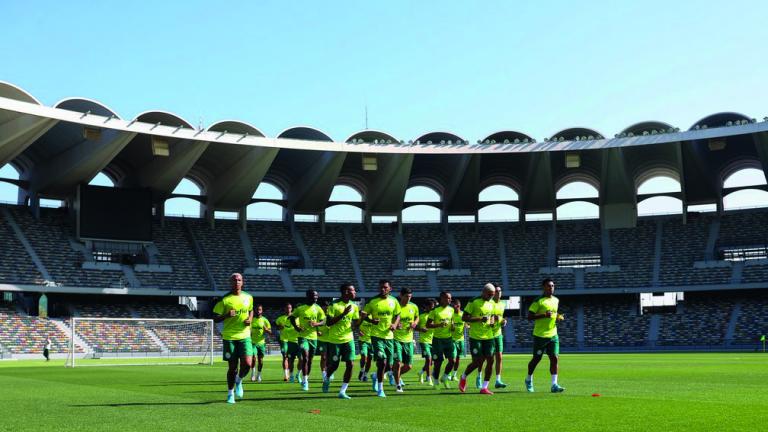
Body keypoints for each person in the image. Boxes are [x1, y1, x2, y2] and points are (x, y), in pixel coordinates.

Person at [212, 273, 254, 404]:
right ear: (230, 282)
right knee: (233, 367)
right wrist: (226, 315)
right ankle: (230, 393)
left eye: (239, 280)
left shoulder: (249, 297)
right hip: (229, 337)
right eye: (234, 280)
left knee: (247, 364)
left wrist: (250, 319)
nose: (237, 282)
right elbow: (215, 318)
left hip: (245, 335)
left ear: (243, 282)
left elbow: (251, 310)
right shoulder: (224, 299)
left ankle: (239, 380)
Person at [361, 279, 401, 398]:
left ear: (390, 288)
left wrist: (394, 324)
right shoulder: (373, 301)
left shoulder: (394, 301)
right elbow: (363, 314)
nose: (382, 289)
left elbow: (398, 314)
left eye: (385, 287)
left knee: (389, 364)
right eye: (381, 287)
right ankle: (380, 388)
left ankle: (375, 376)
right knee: (382, 361)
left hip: (389, 336)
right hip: (376, 336)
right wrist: (371, 320)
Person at [525, 278, 565, 393]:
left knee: (554, 358)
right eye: (548, 286)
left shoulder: (556, 300)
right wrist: (543, 315)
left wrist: (558, 317)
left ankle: (554, 384)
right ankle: (528, 379)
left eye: (552, 286)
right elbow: (529, 317)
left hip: (553, 334)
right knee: (536, 359)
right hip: (540, 336)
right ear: (543, 287)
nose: (551, 288)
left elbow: (553, 313)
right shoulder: (538, 301)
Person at [458, 283, 497, 395]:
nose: (491, 297)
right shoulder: (473, 301)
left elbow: (492, 316)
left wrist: (493, 322)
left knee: (491, 360)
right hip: (476, 337)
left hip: (489, 336)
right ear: (483, 292)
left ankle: (484, 387)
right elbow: (464, 317)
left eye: (493, 295)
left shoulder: (492, 303)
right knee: (478, 362)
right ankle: (464, 376)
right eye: (489, 294)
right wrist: (480, 318)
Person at [323, 282, 360, 399]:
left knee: (351, 364)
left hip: (348, 339)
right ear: (346, 292)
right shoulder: (334, 305)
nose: (355, 292)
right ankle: (327, 378)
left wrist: (362, 319)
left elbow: (355, 325)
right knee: (334, 365)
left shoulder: (354, 306)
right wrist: (343, 314)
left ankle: (342, 391)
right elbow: (328, 323)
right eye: (353, 290)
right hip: (335, 340)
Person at [290, 289, 326, 391]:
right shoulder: (300, 308)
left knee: (309, 360)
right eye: (314, 296)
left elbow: (324, 321)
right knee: (305, 358)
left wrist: (317, 324)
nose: (316, 298)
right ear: (308, 296)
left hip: (313, 338)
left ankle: (306, 378)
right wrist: (296, 327)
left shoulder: (318, 308)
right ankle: (305, 382)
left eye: (317, 296)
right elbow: (292, 317)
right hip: (303, 337)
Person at [427, 291, 456, 389]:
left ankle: (444, 377)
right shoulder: (434, 310)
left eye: (450, 298)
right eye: (447, 298)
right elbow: (428, 325)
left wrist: (452, 326)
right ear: (442, 298)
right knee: (438, 362)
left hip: (448, 339)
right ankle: (435, 381)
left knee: (453, 361)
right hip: (437, 340)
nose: (450, 300)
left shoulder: (451, 310)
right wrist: (439, 325)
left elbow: (452, 322)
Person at [393, 287, 419, 393]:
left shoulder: (413, 307)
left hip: (408, 339)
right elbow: (389, 319)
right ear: (401, 296)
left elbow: (417, 317)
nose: (408, 299)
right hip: (396, 338)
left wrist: (415, 323)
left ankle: (392, 374)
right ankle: (398, 385)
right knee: (398, 363)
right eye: (406, 296)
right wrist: (395, 324)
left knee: (408, 366)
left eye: (410, 296)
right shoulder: (395, 306)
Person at [275, 303, 299, 382]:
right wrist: (279, 327)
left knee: (300, 359)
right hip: (284, 340)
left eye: (289, 308)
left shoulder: (296, 318)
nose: (288, 309)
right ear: (284, 309)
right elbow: (276, 327)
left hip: (295, 340)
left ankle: (297, 374)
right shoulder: (280, 319)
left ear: (291, 309)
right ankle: (286, 375)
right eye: (287, 308)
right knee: (285, 356)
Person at [416, 298, 436, 385]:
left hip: (434, 340)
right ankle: (429, 377)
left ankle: (421, 372)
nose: (432, 309)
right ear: (426, 307)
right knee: (428, 358)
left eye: (433, 307)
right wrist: (421, 329)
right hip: (424, 340)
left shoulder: (435, 315)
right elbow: (414, 326)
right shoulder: (421, 316)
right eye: (431, 307)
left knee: (431, 361)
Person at [491, 284, 508, 388]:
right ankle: (479, 376)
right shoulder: (489, 303)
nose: (499, 293)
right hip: (488, 334)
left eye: (500, 291)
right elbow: (487, 317)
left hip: (498, 333)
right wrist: (492, 320)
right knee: (485, 358)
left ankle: (498, 380)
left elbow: (501, 318)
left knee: (499, 357)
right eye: (497, 291)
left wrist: (503, 321)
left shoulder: (502, 304)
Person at [250, 304, 272, 382]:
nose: (258, 311)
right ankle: (253, 374)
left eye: (260, 309)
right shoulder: (251, 319)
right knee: (253, 358)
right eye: (257, 309)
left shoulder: (265, 320)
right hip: (252, 342)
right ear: (255, 311)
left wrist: (266, 330)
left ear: (262, 311)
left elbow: (270, 332)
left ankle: (258, 375)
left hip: (261, 343)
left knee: (260, 360)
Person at [450, 298, 465, 381]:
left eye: (454, 305)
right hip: (452, 339)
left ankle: (454, 375)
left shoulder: (463, 315)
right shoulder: (451, 315)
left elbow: (467, 324)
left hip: (461, 340)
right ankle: (448, 373)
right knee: (453, 359)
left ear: (458, 305)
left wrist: (467, 326)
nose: (452, 307)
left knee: (458, 359)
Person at [317, 300, 332, 382]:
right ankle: (324, 374)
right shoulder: (318, 315)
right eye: (324, 307)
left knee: (330, 358)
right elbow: (314, 324)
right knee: (323, 357)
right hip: (322, 339)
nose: (325, 309)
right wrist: (316, 331)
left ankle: (329, 372)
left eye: (327, 307)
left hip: (331, 339)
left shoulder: (330, 314)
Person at [357, 314, 373, 382]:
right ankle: (362, 370)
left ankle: (365, 375)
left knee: (369, 359)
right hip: (363, 341)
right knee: (364, 357)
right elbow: (355, 326)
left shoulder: (374, 316)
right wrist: (359, 332)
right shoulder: (361, 317)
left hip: (372, 341)